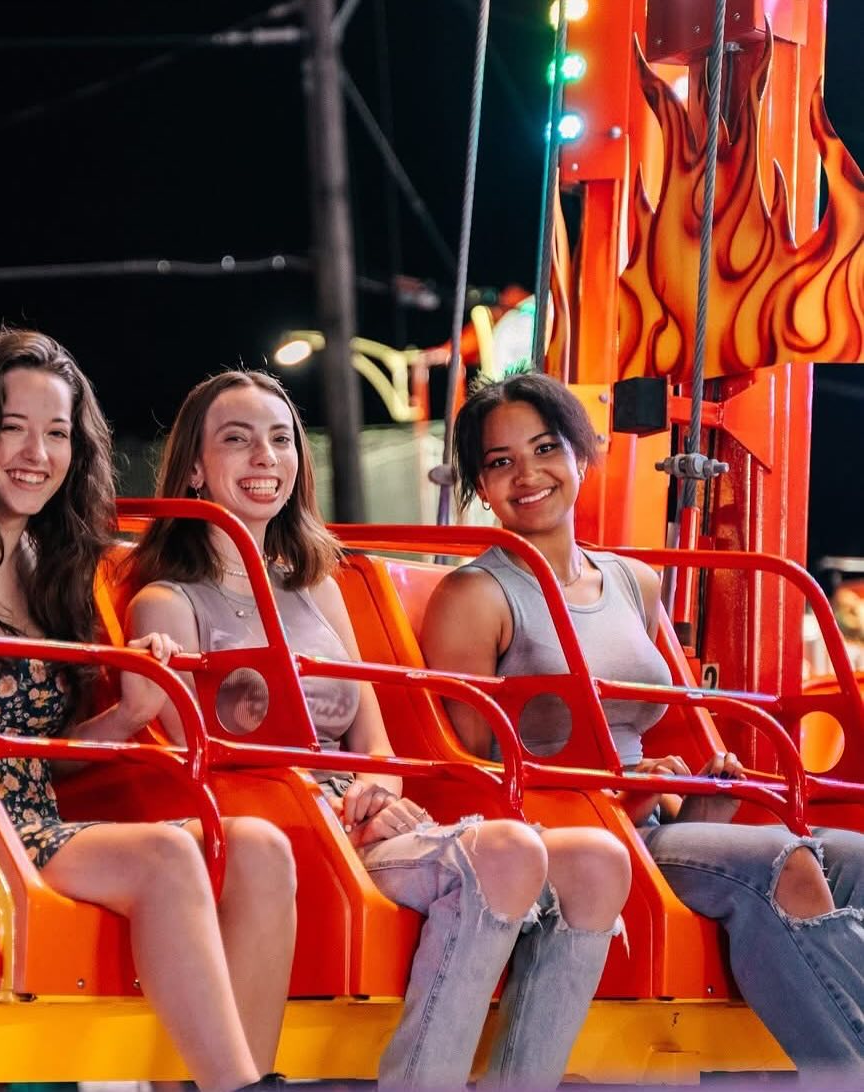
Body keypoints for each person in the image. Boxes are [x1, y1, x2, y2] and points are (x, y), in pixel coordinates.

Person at [124, 369, 632, 1090]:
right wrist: (338, 804)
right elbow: (203, 766)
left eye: (280, 440)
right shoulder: (167, 603)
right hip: (286, 834)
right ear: (197, 470)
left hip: (364, 823)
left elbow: (376, 739)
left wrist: (373, 786)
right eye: (238, 442)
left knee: (598, 861)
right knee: (510, 850)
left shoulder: (319, 589)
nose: (265, 457)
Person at [0, 330, 295, 1092]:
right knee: (170, 857)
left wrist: (132, 709)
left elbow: (49, 755)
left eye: (57, 433)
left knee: (260, 847)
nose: (36, 452)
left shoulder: (54, 565)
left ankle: (237, 1077)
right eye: (13, 427)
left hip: (31, 818)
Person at [422, 370, 864, 1077]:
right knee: (781, 863)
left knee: (855, 860)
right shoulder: (476, 596)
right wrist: (617, 790)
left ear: (580, 453)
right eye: (500, 463)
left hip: (650, 822)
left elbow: (661, 735)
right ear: (479, 484)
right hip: (571, 837)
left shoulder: (635, 582)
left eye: (544, 449)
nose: (527, 475)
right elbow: (471, 779)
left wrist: (696, 782)